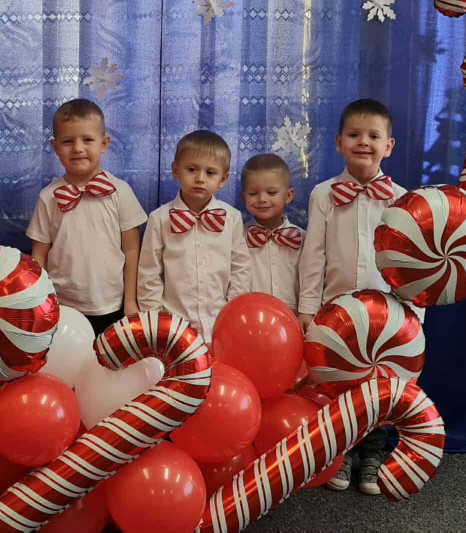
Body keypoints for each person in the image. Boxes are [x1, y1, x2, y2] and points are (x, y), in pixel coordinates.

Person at [297, 98, 417, 496]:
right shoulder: (323, 195)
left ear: (389, 146)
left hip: (387, 318)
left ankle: (373, 453)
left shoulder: (402, 198)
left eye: (373, 136)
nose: (363, 142)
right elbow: (313, 255)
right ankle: (342, 451)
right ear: (338, 142)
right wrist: (307, 308)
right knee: (339, 387)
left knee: (379, 388)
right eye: (354, 135)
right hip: (336, 316)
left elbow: (411, 261)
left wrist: (413, 316)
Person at [27, 99, 147, 337]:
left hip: (111, 304)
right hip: (62, 304)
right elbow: (38, 255)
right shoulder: (48, 197)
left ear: (104, 144)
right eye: (68, 141)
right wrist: (40, 299)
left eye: (87, 140)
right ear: (54, 146)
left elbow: (132, 250)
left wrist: (130, 301)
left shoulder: (120, 191)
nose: (78, 148)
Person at [137, 130, 250, 341]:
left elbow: (240, 270)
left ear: (223, 179)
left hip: (221, 325)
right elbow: (149, 274)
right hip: (173, 327)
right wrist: (157, 321)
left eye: (210, 173)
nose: (200, 179)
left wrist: (233, 315)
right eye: (192, 169)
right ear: (175, 170)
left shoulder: (232, 218)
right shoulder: (159, 219)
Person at [239, 153, 304, 312]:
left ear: (288, 196)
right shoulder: (238, 238)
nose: (262, 199)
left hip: (294, 320)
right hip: (251, 319)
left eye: (271, 193)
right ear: (243, 197)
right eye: (253, 194)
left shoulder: (302, 238)